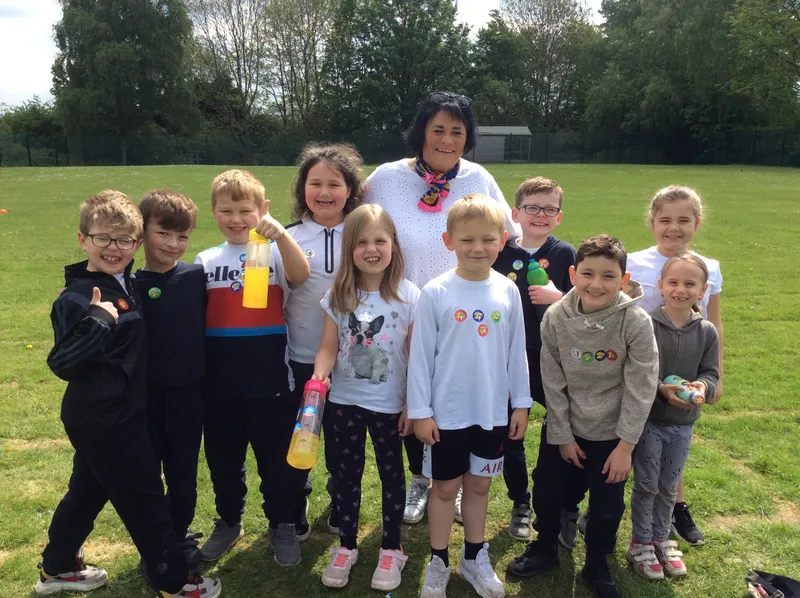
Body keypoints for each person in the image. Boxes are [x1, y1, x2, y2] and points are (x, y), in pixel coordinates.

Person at [36, 191, 220, 598]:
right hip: (107, 418)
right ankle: (173, 584)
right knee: (146, 501)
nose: (114, 248)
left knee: (88, 488)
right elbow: (63, 362)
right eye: (103, 239)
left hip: (114, 411)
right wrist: (99, 322)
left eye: (124, 240)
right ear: (83, 239)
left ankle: (57, 567)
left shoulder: (124, 282)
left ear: (137, 243)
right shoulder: (79, 297)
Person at [363, 91, 520, 525]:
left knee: (449, 396)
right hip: (399, 313)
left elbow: (506, 239)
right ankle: (421, 479)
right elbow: (357, 228)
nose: (448, 140)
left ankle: (447, 482)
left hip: (461, 317)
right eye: (438, 130)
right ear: (421, 133)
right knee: (409, 399)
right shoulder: (386, 179)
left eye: (457, 131)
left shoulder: (479, 179)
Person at [506, 235, 659, 598]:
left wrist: (625, 446)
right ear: (573, 274)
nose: (596, 284)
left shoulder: (636, 323)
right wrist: (563, 436)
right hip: (567, 427)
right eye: (587, 273)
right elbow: (552, 380)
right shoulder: (557, 317)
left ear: (624, 279)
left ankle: (597, 563)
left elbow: (641, 388)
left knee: (607, 507)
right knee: (547, 491)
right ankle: (545, 548)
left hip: (613, 434)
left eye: (608, 276)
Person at [408, 194, 531, 598]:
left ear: (502, 241)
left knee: (479, 488)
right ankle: (439, 561)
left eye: (487, 239)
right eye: (467, 240)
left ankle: (474, 556)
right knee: (444, 490)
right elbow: (421, 358)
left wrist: (522, 403)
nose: (477, 248)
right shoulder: (436, 292)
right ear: (449, 241)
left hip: (492, 413)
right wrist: (422, 412)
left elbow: (517, 351)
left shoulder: (507, 291)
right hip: (446, 415)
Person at [195, 170, 311, 567]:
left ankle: (281, 523)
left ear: (262, 210)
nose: (236, 218)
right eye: (226, 210)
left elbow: (300, 275)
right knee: (224, 461)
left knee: (275, 461)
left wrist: (279, 235)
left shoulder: (270, 251)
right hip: (219, 384)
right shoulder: (205, 259)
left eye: (245, 210)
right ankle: (229, 521)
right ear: (214, 213)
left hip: (270, 382)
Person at [311, 204, 419, 592]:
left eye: (380, 240)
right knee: (345, 476)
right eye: (361, 243)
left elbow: (416, 359)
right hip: (343, 404)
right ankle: (347, 545)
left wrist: (412, 403)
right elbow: (326, 348)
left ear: (393, 245)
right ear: (350, 250)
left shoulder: (409, 296)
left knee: (393, 478)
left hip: (390, 407)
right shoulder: (338, 295)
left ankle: (392, 548)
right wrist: (319, 376)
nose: (371, 249)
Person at [627, 185, 723, 546]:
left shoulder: (709, 267)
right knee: (634, 444)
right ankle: (604, 514)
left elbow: (713, 322)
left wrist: (716, 378)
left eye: (684, 220)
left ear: (697, 223)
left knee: (671, 444)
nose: (674, 228)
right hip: (640, 371)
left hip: (683, 370)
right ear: (651, 222)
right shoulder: (634, 262)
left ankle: (674, 509)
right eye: (665, 219)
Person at [491, 177, 580, 543]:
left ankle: (563, 505)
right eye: (532, 207)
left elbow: (583, 307)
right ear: (516, 213)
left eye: (549, 209)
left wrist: (558, 296)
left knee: (563, 427)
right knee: (510, 434)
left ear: (558, 217)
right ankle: (520, 502)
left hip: (553, 359)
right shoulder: (500, 253)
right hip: (509, 359)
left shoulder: (564, 254)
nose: (540, 215)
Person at [284, 143, 364, 539]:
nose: (325, 192)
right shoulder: (288, 236)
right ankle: (296, 499)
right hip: (300, 357)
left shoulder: (364, 233)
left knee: (342, 441)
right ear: (303, 190)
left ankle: (340, 498)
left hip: (354, 359)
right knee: (301, 433)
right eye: (315, 183)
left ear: (351, 188)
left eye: (335, 183)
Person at [135, 190, 207, 568]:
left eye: (183, 236)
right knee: (148, 478)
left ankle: (177, 536)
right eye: (164, 234)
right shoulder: (129, 286)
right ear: (143, 231)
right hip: (144, 401)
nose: (174, 244)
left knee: (184, 477)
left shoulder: (196, 276)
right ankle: (155, 547)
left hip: (187, 397)